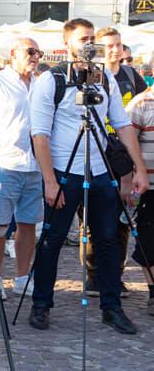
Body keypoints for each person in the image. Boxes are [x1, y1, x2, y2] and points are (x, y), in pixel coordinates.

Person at [29, 18, 148, 334]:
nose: (89, 44)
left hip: (99, 169)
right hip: (64, 169)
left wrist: (138, 168)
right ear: (67, 43)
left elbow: (122, 124)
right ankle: (41, 304)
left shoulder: (104, 77)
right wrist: (49, 181)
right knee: (53, 239)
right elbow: (39, 134)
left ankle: (112, 308)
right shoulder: (52, 80)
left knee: (108, 240)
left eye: (92, 38)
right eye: (83, 39)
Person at [0, 38, 44, 300]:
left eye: (38, 53)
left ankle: (22, 278)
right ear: (14, 53)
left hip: (34, 164)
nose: (35, 56)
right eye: (30, 51)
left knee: (29, 224)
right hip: (4, 162)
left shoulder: (40, 83)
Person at [88, 27, 147, 297]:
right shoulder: (91, 75)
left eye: (118, 45)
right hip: (95, 152)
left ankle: (115, 274)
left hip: (123, 154)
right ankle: (94, 275)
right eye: (109, 45)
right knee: (93, 219)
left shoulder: (130, 76)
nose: (115, 50)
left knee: (123, 218)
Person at [124, 84, 154, 316]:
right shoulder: (141, 104)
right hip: (149, 187)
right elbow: (126, 145)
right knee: (149, 241)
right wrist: (127, 181)